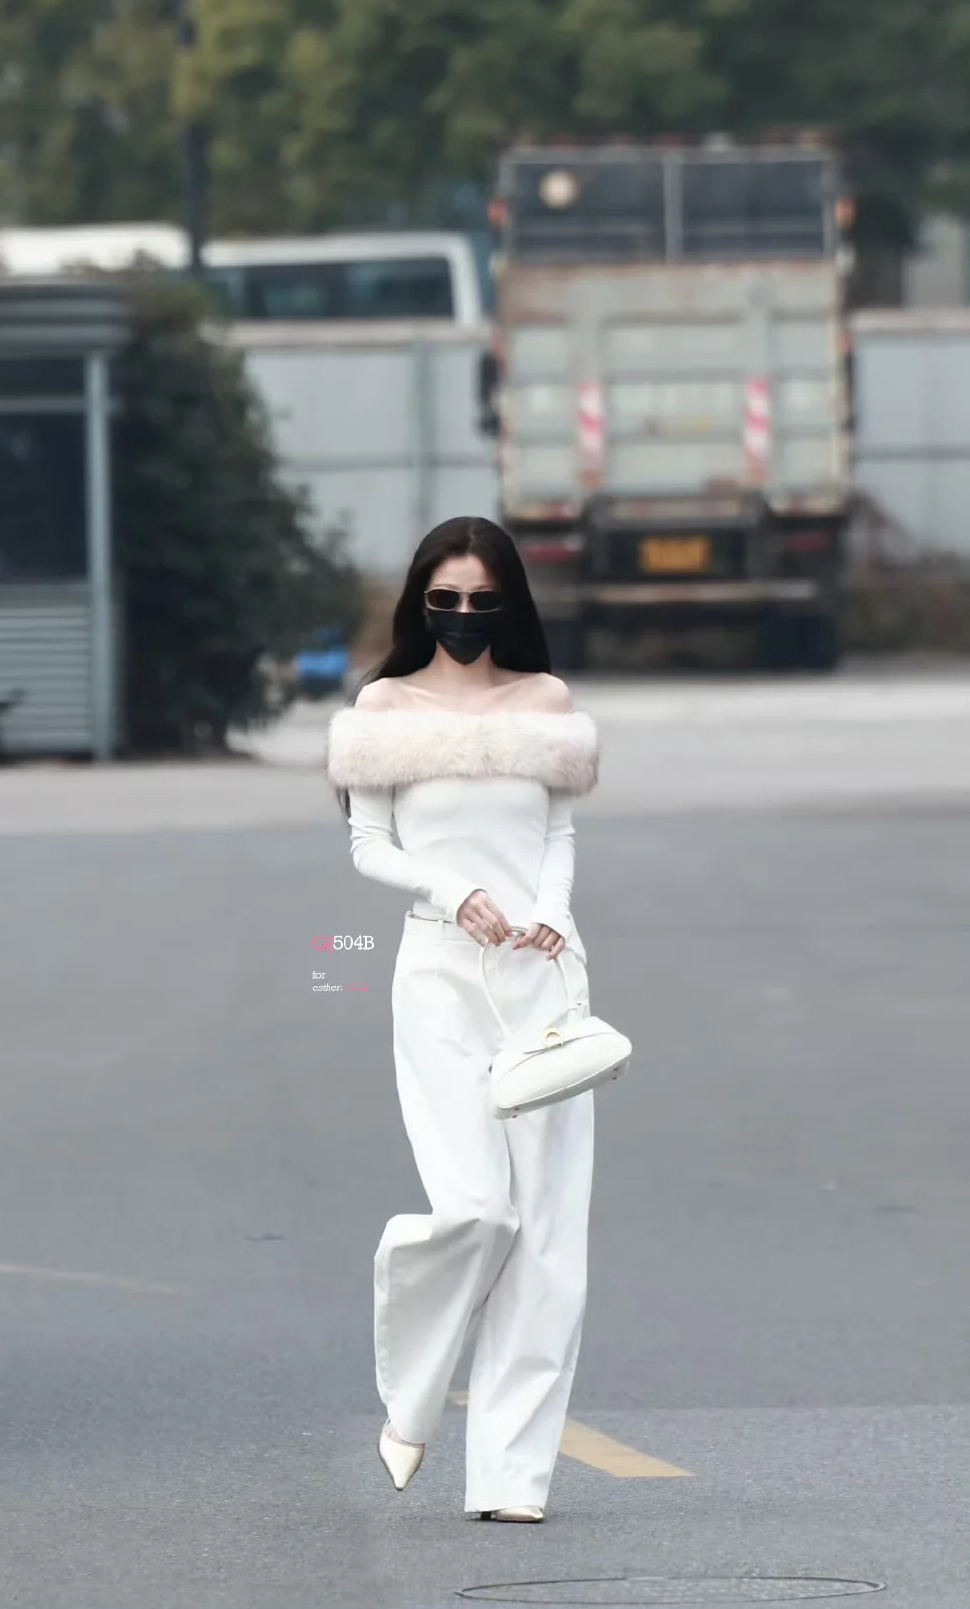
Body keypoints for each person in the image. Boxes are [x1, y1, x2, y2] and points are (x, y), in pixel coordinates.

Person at [325, 516, 600, 1522]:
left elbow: (558, 833)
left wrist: (551, 912)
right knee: (478, 1208)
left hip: (542, 975)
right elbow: (369, 845)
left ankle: (513, 1481)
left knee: (549, 1239)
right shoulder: (384, 709)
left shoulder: (546, 703)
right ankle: (410, 1398)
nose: (465, 615)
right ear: (419, 602)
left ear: (510, 602)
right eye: (446, 599)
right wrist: (455, 890)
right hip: (440, 973)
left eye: (484, 599)